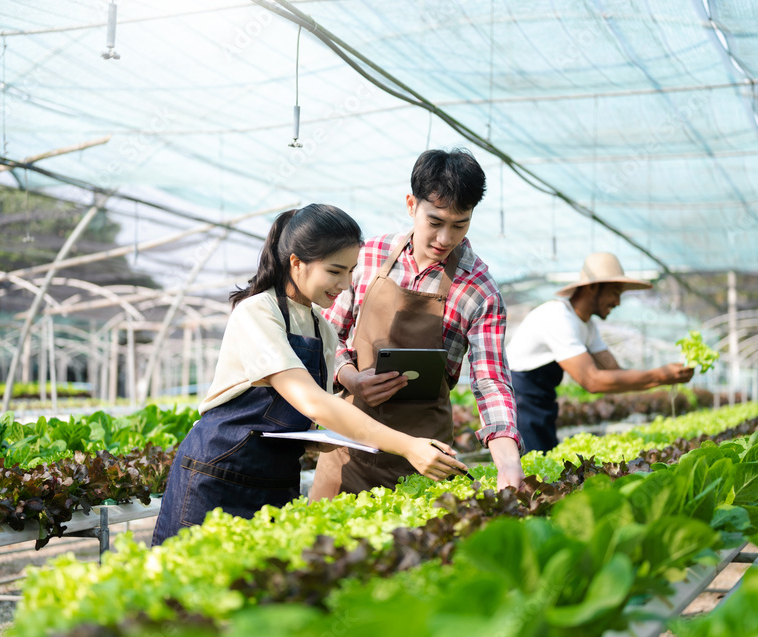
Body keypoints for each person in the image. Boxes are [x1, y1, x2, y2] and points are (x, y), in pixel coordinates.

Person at [152, 204, 469, 546]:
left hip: (277, 478)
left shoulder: (323, 329)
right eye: (335, 271)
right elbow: (311, 401)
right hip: (219, 474)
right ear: (296, 263)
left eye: (351, 271)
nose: (346, 284)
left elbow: (308, 412)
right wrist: (407, 446)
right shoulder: (258, 312)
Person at [309, 149, 524, 499]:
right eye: (435, 222)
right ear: (411, 205)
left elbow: (491, 380)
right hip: (348, 444)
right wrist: (351, 378)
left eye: (460, 224)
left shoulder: (479, 289)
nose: (445, 239)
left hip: (424, 457)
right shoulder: (367, 257)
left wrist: (508, 463)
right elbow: (327, 334)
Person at [506, 252, 695, 453]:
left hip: (539, 403)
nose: (618, 302)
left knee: (542, 469)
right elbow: (592, 381)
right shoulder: (558, 317)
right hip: (517, 403)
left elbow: (614, 371)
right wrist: (660, 375)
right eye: (615, 292)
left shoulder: (586, 325)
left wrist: (664, 377)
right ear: (592, 287)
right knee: (529, 473)